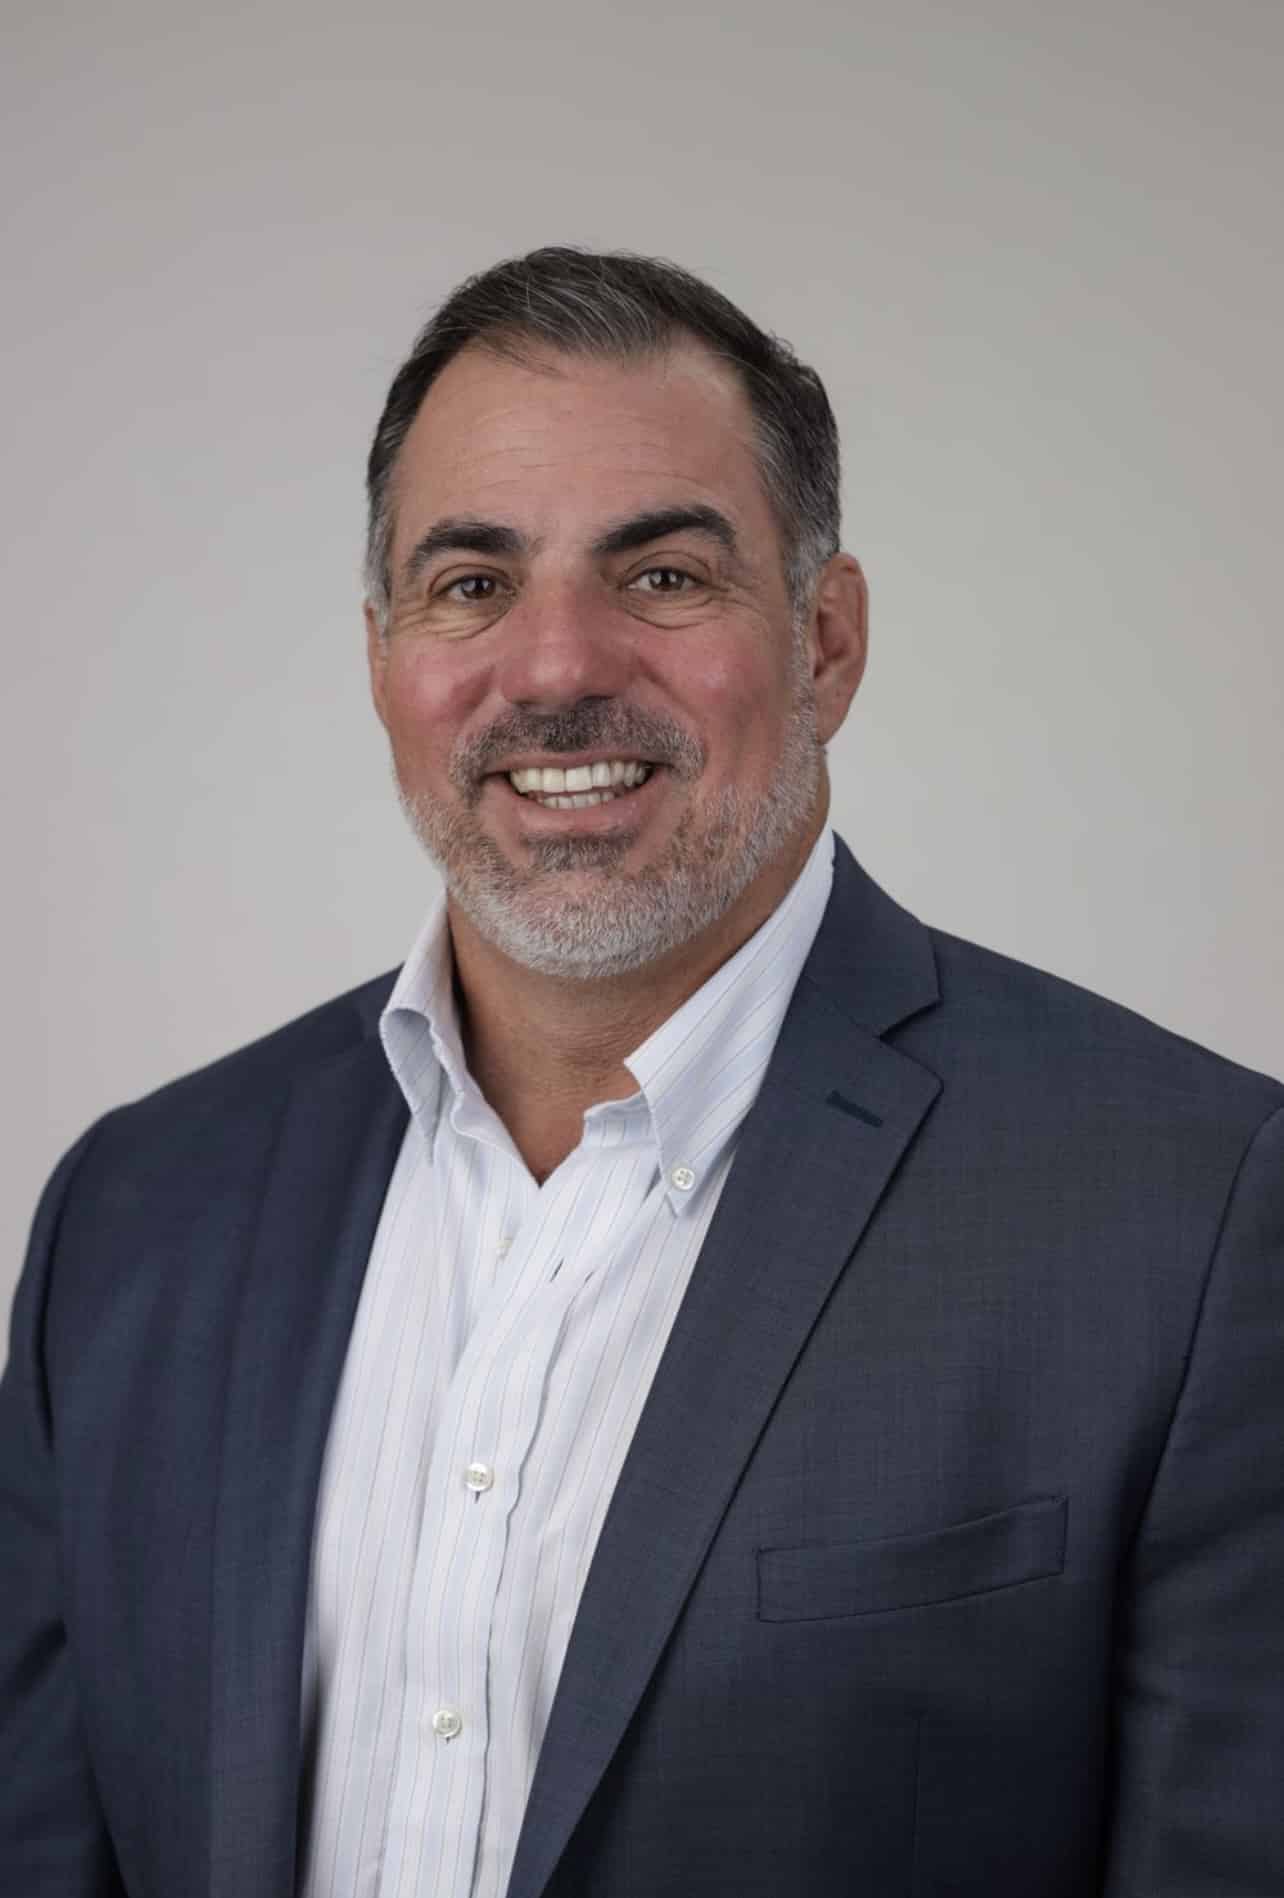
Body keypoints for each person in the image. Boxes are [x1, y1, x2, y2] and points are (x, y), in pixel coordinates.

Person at [1, 246, 1280, 1898]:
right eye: (471, 583)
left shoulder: (1189, 1217)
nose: (552, 669)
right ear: (385, 655)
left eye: (663, 576)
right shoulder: (135, 1216)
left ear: (825, 642)